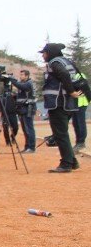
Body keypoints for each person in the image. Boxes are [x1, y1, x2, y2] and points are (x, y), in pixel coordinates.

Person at [39, 43, 85, 173]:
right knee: (61, 134)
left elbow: (64, 75)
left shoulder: (55, 63)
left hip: (59, 104)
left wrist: (70, 91)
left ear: (50, 53)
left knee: (60, 134)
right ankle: (72, 162)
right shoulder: (67, 61)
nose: (43, 56)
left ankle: (66, 164)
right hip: (68, 104)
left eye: (44, 53)